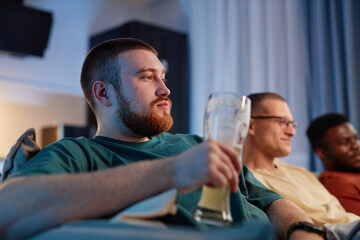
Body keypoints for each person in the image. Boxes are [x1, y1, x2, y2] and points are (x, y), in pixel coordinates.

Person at [0, 39, 322, 240]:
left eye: (163, 77)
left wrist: (303, 231)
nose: (165, 90)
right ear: (103, 92)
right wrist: (173, 173)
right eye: (147, 77)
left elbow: (269, 200)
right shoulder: (78, 153)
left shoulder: (197, 144)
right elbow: (9, 208)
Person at [242, 92, 360, 239]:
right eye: (282, 122)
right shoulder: (249, 183)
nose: (292, 132)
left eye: (292, 124)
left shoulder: (300, 172)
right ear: (250, 125)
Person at [307, 113, 360, 215]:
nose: (356, 145)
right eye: (345, 142)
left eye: (356, 138)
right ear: (323, 153)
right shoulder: (338, 184)